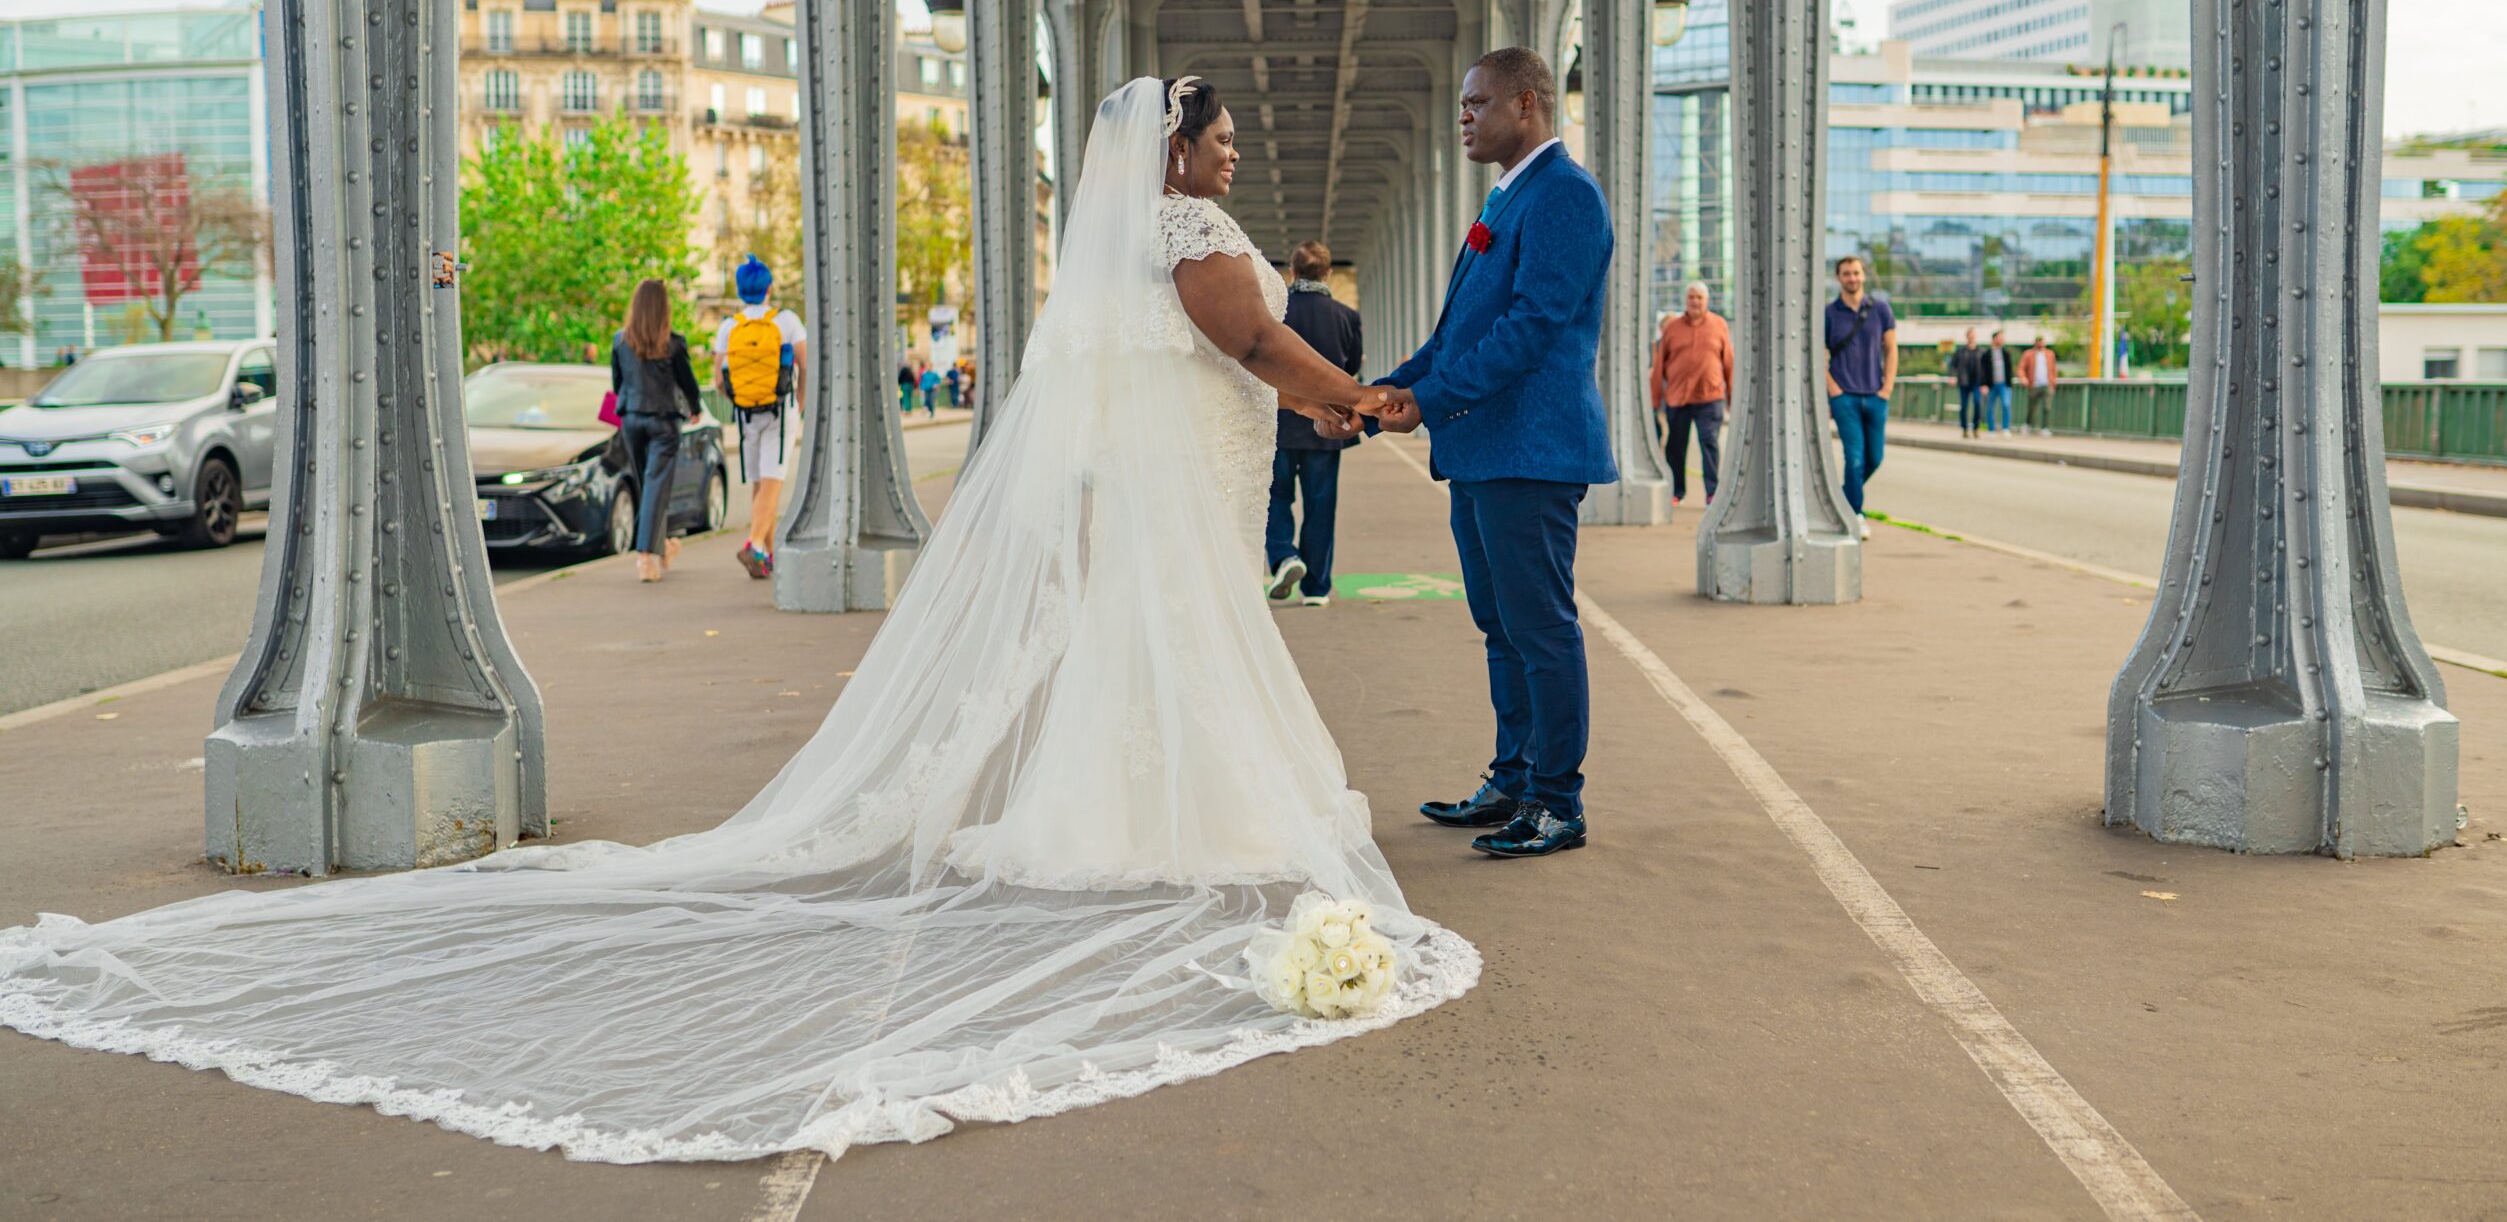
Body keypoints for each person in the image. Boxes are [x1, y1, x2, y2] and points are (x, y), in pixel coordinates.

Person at [0, 76, 1477, 1161]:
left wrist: (1333, 397)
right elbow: (1259, 335)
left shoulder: (1120, 249)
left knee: (1148, 657)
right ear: (1178, 146)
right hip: (1182, 498)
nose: (1233, 153)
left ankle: (1129, 812)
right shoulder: (1194, 225)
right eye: (1218, 134)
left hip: (1165, 489)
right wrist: (1352, 395)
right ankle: (1172, 818)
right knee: (1178, 647)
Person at [1356, 47, 1612, 862]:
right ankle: (1513, 777)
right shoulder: (1511, 196)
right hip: (1484, 452)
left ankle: (1556, 801)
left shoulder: (1564, 195)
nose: (1463, 116)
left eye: (1476, 103)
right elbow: (1453, 337)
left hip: (1529, 451)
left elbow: (1532, 329)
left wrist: (1425, 401)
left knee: (1541, 629)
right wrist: (1371, 396)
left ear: (1527, 105)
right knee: (1501, 626)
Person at [1266, 240, 1362, 607]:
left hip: (1280, 422)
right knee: (1321, 504)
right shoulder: (1346, 317)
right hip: (1328, 423)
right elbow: (1350, 369)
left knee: (1276, 497)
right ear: (1328, 274)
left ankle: (1284, 556)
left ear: (1291, 273)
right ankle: (1317, 588)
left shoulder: (1274, 315)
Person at [712, 255, 807, 581]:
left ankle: (767, 557)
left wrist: (739, 401)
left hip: (745, 413)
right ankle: (754, 544)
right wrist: (800, 402)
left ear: (740, 290)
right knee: (773, 481)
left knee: (759, 483)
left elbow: (718, 380)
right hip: (780, 410)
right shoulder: (787, 321)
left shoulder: (729, 326)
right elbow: (806, 365)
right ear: (769, 288)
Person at [608, 278, 704, 583]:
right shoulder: (673, 343)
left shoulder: (620, 341)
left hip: (632, 420)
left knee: (648, 488)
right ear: (663, 308)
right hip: (663, 422)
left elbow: (617, 383)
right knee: (655, 487)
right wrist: (695, 407)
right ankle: (645, 559)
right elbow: (688, 382)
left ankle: (662, 548)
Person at [1824, 255, 1896, 538]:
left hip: (1876, 394)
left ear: (1863, 275)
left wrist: (1886, 388)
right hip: (1845, 397)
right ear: (1838, 278)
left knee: (1874, 457)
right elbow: (1819, 352)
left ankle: (1838, 500)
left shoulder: (1880, 310)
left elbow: (1891, 349)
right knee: (1854, 457)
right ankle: (1855, 515)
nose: (1852, 278)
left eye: (1856, 273)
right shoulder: (1830, 313)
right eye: (1846, 274)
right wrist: (1833, 389)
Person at [1648, 281, 1733, 506]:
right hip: (1678, 397)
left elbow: (1729, 364)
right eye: (1692, 297)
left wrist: (1732, 398)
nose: (1695, 301)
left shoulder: (1719, 325)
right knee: (1676, 446)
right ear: (1686, 301)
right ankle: (1677, 491)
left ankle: (1712, 493)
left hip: (1710, 397)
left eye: (1700, 298)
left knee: (1709, 443)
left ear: (1707, 301)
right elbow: (1659, 367)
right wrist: (1655, 399)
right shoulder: (1672, 328)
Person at [2020, 333, 2059, 434]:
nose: (2040, 343)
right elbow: (2021, 368)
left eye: (2042, 341)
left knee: (2047, 407)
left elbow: (2054, 369)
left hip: (2047, 384)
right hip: (2034, 385)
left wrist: (2054, 381)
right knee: (2031, 408)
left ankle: (2045, 428)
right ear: (2035, 342)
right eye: (2039, 341)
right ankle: (2028, 425)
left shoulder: (2050, 354)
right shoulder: (2028, 354)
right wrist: (2023, 378)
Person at [1951, 326, 1984, 439]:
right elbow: (1953, 365)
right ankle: (1965, 428)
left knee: (1977, 403)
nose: (1972, 337)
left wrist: (1985, 383)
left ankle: (1976, 427)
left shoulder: (1981, 351)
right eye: (1970, 335)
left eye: (1974, 335)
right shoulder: (1960, 351)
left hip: (1976, 382)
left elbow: (1985, 368)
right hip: (1964, 382)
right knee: (1964, 406)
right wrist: (1952, 376)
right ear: (1967, 337)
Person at [1983, 330, 2014, 436]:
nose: (2002, 340)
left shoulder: (2006, 353)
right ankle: (1991, 429)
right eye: (2000, 338)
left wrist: (2010, 384)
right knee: (1990, 407)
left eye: (2003, 338)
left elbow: (2010, 369)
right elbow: (1983, 371)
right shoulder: (1987, 354)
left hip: (2004, 384)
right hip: (1991, 385)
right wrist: (1984, 385)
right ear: (1994, 339)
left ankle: (2005, 428)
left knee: (2006, 404)